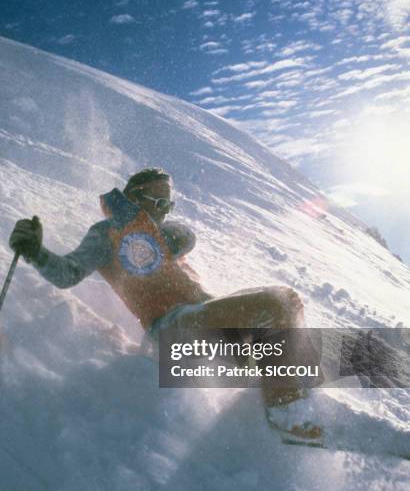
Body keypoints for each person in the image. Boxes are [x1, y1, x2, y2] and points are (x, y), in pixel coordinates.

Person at [9, 168, 323, 441]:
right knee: (276, 303)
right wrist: (36, 252)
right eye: (158, 202)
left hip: (203, 318)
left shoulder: (158, 236)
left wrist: (150, 226)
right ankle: (287, 415)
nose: (164, 209)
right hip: (173, 328)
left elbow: (186, 236)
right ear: (133, 196)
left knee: (288, 300)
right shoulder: (106, 233)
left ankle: (296, 384)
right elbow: (68, 273)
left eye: (168, 204)